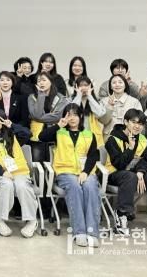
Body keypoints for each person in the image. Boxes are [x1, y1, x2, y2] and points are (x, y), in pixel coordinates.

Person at [39, 104, 101, 248]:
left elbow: (93, 156)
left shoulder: (89, 134)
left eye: (75, 114)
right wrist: (58, 125)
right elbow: (42, 137)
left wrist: (85, 172)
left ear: (80, 116)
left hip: (85, 172)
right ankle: (79, 232)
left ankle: (92, 233)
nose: (72, 118)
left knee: (91, 187)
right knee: (75, 187)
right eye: (69, 115)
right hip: (65, 171)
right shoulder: (59, 132)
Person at [104, 109, 147, 238]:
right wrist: (130, 148)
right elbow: (119, 164)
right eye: (133, 122)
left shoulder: (143, 140)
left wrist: (140, 172)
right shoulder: (112, 139)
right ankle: (122, 214)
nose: (137, 126)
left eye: (140, 124)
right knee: (129, 176)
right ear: (125, 122)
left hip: (135, 174)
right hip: (114, 174)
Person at [0, 109, 38, 238]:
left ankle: (32, 221)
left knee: (22, 186)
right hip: (1, 174)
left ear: (4, 121)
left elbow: (28, 134)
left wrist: (12, 125)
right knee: (7, 185)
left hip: (19, 172)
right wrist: (2, 172)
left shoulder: (13, 134)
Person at [27, 72, 69, 163]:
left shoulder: (61, 98)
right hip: (36, 136)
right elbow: (36, 114)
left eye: (44, 80)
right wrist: (41, 95)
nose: (41, 83)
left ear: (51, 82)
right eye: (39, 81)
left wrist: (39, 118)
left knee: (54, 163)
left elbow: (57, 116)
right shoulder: (32, 97)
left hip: (55, 134)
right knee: (37, 164)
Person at [70, 76, 111, 147]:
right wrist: (78, 96)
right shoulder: (71, 100)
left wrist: (90, 96)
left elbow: (100, 113)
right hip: (76, 136)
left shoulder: (96, 101)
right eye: (80, 85)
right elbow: (72, 112)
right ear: (76, 87)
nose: (83, 88)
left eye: (86, 85)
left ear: (90, 87)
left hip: (92, 136)